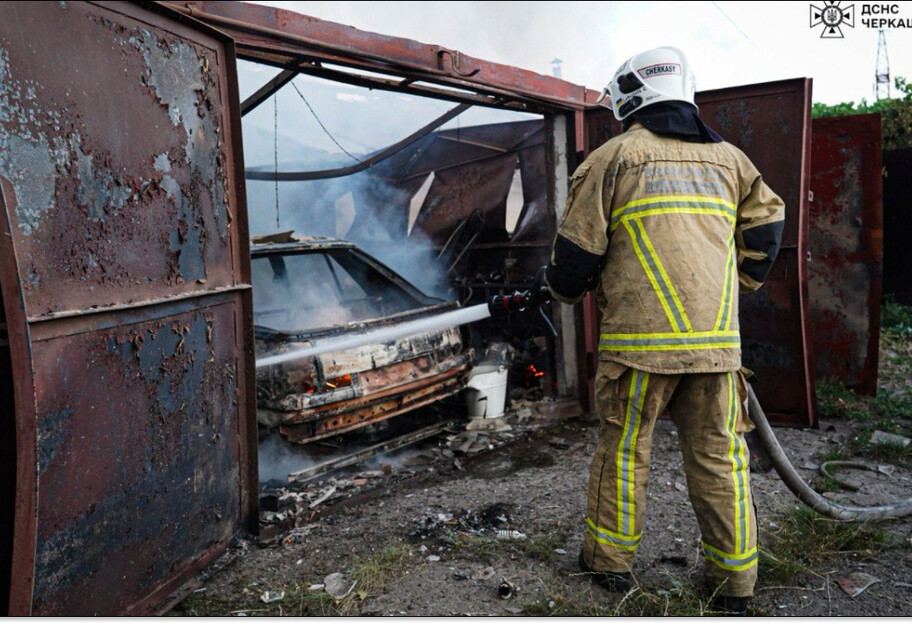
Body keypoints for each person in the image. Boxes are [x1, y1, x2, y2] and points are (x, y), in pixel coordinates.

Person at [545, 46, 785, 615]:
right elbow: (767, 233)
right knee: (721, 460)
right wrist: (731, 289)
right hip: (717, 351)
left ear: (630, 96)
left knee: (625, 452)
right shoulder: (733, 162)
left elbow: (575, 257)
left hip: (637, 348)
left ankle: (609, 565)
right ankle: (734, 587)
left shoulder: (613, 157)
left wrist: (559, 289)